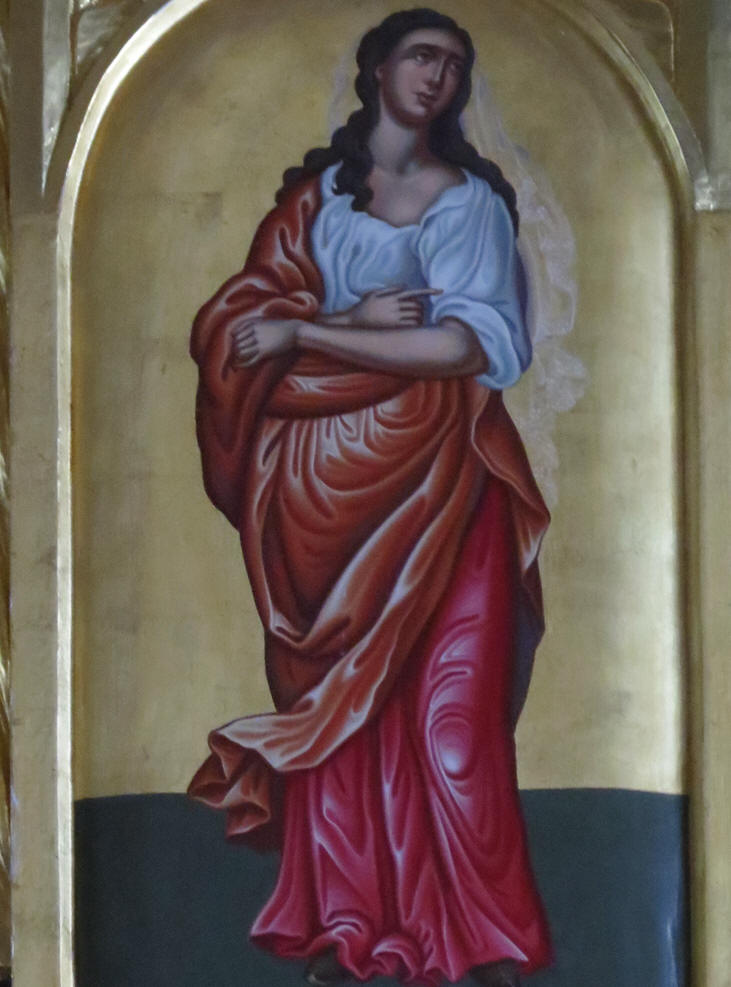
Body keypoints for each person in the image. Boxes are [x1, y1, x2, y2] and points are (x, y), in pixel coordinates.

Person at [188, 9, 553, 987]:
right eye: (421, 56)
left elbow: (464, 345)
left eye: (454, 64)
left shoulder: (468, 205)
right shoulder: (310, 206)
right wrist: (341, 318)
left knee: (451, 726)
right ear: (377, 69)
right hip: (318, 500)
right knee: (343, 731)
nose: (438, 77)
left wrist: (312, 333)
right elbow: (233, 331)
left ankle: (475, 943)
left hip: (445, 486)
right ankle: (351, 932)